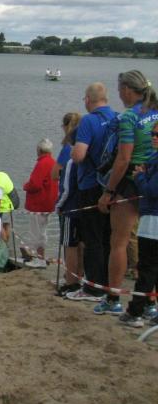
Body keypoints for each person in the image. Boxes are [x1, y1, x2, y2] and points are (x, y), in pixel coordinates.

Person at [94, 70, 158, 315]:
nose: (118, 94)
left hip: (132, 180)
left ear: (128, 90)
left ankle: (113, 298)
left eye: (120, 89)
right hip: (153, 177)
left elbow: (123, 158)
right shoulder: (155, 111)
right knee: (150, 244)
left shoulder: (129, 117)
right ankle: (149, 302)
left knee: (119, 242)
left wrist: (109, 191)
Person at [67, 83, 117, 302]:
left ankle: (92, 288)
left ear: (88, 99)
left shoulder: (89, 120)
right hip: (111, 185)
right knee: (108, 238)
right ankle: (107, 284)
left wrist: (72, 153)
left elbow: (79, 155)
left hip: (90, 184)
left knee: (92, 237)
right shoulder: (117, 117)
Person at [120, 120, 158, 327]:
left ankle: (135, 312)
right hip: (150, 218)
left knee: (146, 268)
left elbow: (152, 190)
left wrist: (140, 176)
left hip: (153, 221)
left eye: (157, 135)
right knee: (152, 269)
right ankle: (147, 309)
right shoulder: (153, 157)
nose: (154, 138)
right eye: (152, 134)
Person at [52, 112, 84, 294]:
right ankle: (79, 276)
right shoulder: (85, 151)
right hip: (83, 203)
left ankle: (70, 280)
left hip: (69, 206)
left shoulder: (69, 153)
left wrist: (58, 206)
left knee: (69, 244)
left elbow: (57, 178)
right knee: (80, 243)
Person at [23, 138, 58, 268]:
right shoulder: (53, 162)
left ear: (39, 150)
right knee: (42, 232)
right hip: (49, 203)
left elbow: (35, 184)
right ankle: (41, 257)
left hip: (38, 204)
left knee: (35, 232)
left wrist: (25, 186)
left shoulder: (42, 163)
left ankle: (37, 259)